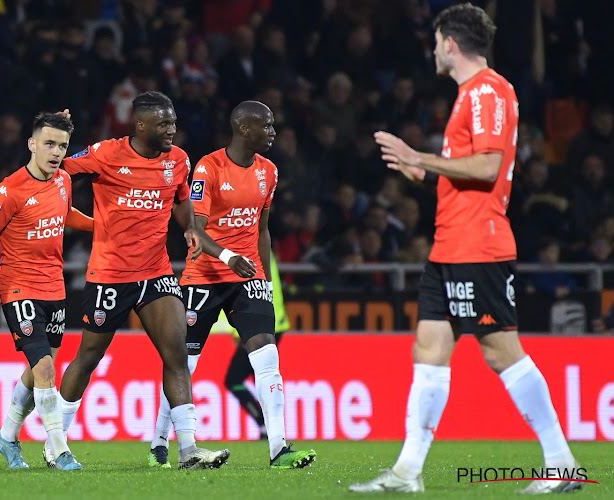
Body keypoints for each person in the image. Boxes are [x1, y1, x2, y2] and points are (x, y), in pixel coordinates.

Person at [349, 4, 581, 494]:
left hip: (478, 244)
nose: (433, 49)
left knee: (501, 352)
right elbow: (464, 171)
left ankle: (561, 464)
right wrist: (421, 171)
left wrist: (421, 157)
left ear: (450, 43)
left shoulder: (488, 92)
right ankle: (407, 474)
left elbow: (488, 168)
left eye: (436, 41)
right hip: (449, 244)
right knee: (429, 348)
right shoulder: (469, 96)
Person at [56, 91, 230, 470]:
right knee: (88, 357)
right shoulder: (105, 154)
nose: (172, 129)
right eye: (164, 123)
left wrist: (193, 230)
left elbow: (184, 206)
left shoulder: (179, 161)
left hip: (156, 273)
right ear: (140, 125)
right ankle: (55, 442)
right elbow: (55, 171)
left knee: (177, 354)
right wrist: (53, 136)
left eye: (173, 122)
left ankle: (188, 450)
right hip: (110, 276)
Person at [148, 101, 316, 469]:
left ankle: (279, 449)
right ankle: (159, 441)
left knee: (267, 357)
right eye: (267, 127)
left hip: (248, 278)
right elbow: (196, 230)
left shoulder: (268, 172)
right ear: (244, 129)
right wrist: (227, 257)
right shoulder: (208, 168)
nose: (272, 133)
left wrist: (266, 283)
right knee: (183, 364)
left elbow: (263, 230)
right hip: (204, 277)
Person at [0, 112, 92, 471]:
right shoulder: (9, 190)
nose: (56, 152)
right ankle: (60, 450)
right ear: (31, 144)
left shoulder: (63, 180)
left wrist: (101, 227)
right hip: (18, 286)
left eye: (62, 145)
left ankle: (6, 436)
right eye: (49, 143)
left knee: (38, 371)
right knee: (44, 369)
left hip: (54, 287)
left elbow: (64, 214)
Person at [221, 251, 289, 439]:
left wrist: (237, 331)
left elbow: (247, 289)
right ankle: (269, 425)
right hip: (274, 321)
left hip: (258, 325)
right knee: (261, 378)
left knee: (234, 381)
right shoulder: (262, 247)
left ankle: (264, 424)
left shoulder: (245, 250)